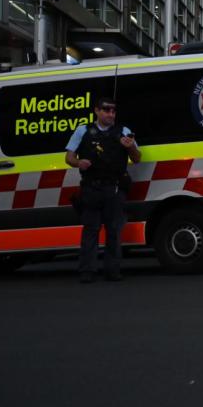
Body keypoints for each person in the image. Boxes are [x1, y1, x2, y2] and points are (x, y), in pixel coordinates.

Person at [65, 96, 141, 283]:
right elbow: (69, 157)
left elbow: (137, 158)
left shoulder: (124, 131)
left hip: (114, 189)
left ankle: (112, 270)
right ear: (96, 111)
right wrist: (78, 163)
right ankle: (87, 271)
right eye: (106, 110)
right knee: (91, 230)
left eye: (113, 110)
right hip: (91, 188)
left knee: (114, 230)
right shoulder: (83, 131)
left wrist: (130, 148)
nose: (111, 114)